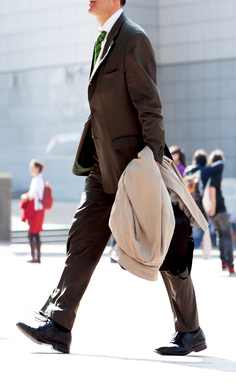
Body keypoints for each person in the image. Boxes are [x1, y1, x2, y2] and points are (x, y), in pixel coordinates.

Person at [17, 0, 207, 356]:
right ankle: (58, 324)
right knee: (83, 238)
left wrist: (150, 161)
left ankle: (190, 330)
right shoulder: (103, 39)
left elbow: (150, 106)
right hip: (102, 167)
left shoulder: (133, 39)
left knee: (165, 247)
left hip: (133, 168)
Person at [205, 150, 233, 276]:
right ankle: (230, 265)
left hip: (212, 211)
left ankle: (223, 262)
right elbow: (212, 188)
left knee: (220, 235)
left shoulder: (208, 173)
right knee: (227, 235)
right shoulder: (217, 172)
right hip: (219, 209)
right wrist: (214, 207)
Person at [20, 159, 47, 264]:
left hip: (36, 210)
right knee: (35, 234)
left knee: (32, 233)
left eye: (31, 167)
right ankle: (36, 257)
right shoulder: (40, 179)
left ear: (36, 168)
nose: (30, 170)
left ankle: (35, 257)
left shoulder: (37, 180)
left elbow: (31, 195)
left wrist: (24, 196)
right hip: (38, 210)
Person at [183, 150, 209, 260]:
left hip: (188, 203)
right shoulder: (203, 171)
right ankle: (193, 246)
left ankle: (187, 246)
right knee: (201, 227)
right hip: (199, 204)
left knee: (190, 227)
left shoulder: (187, 170)